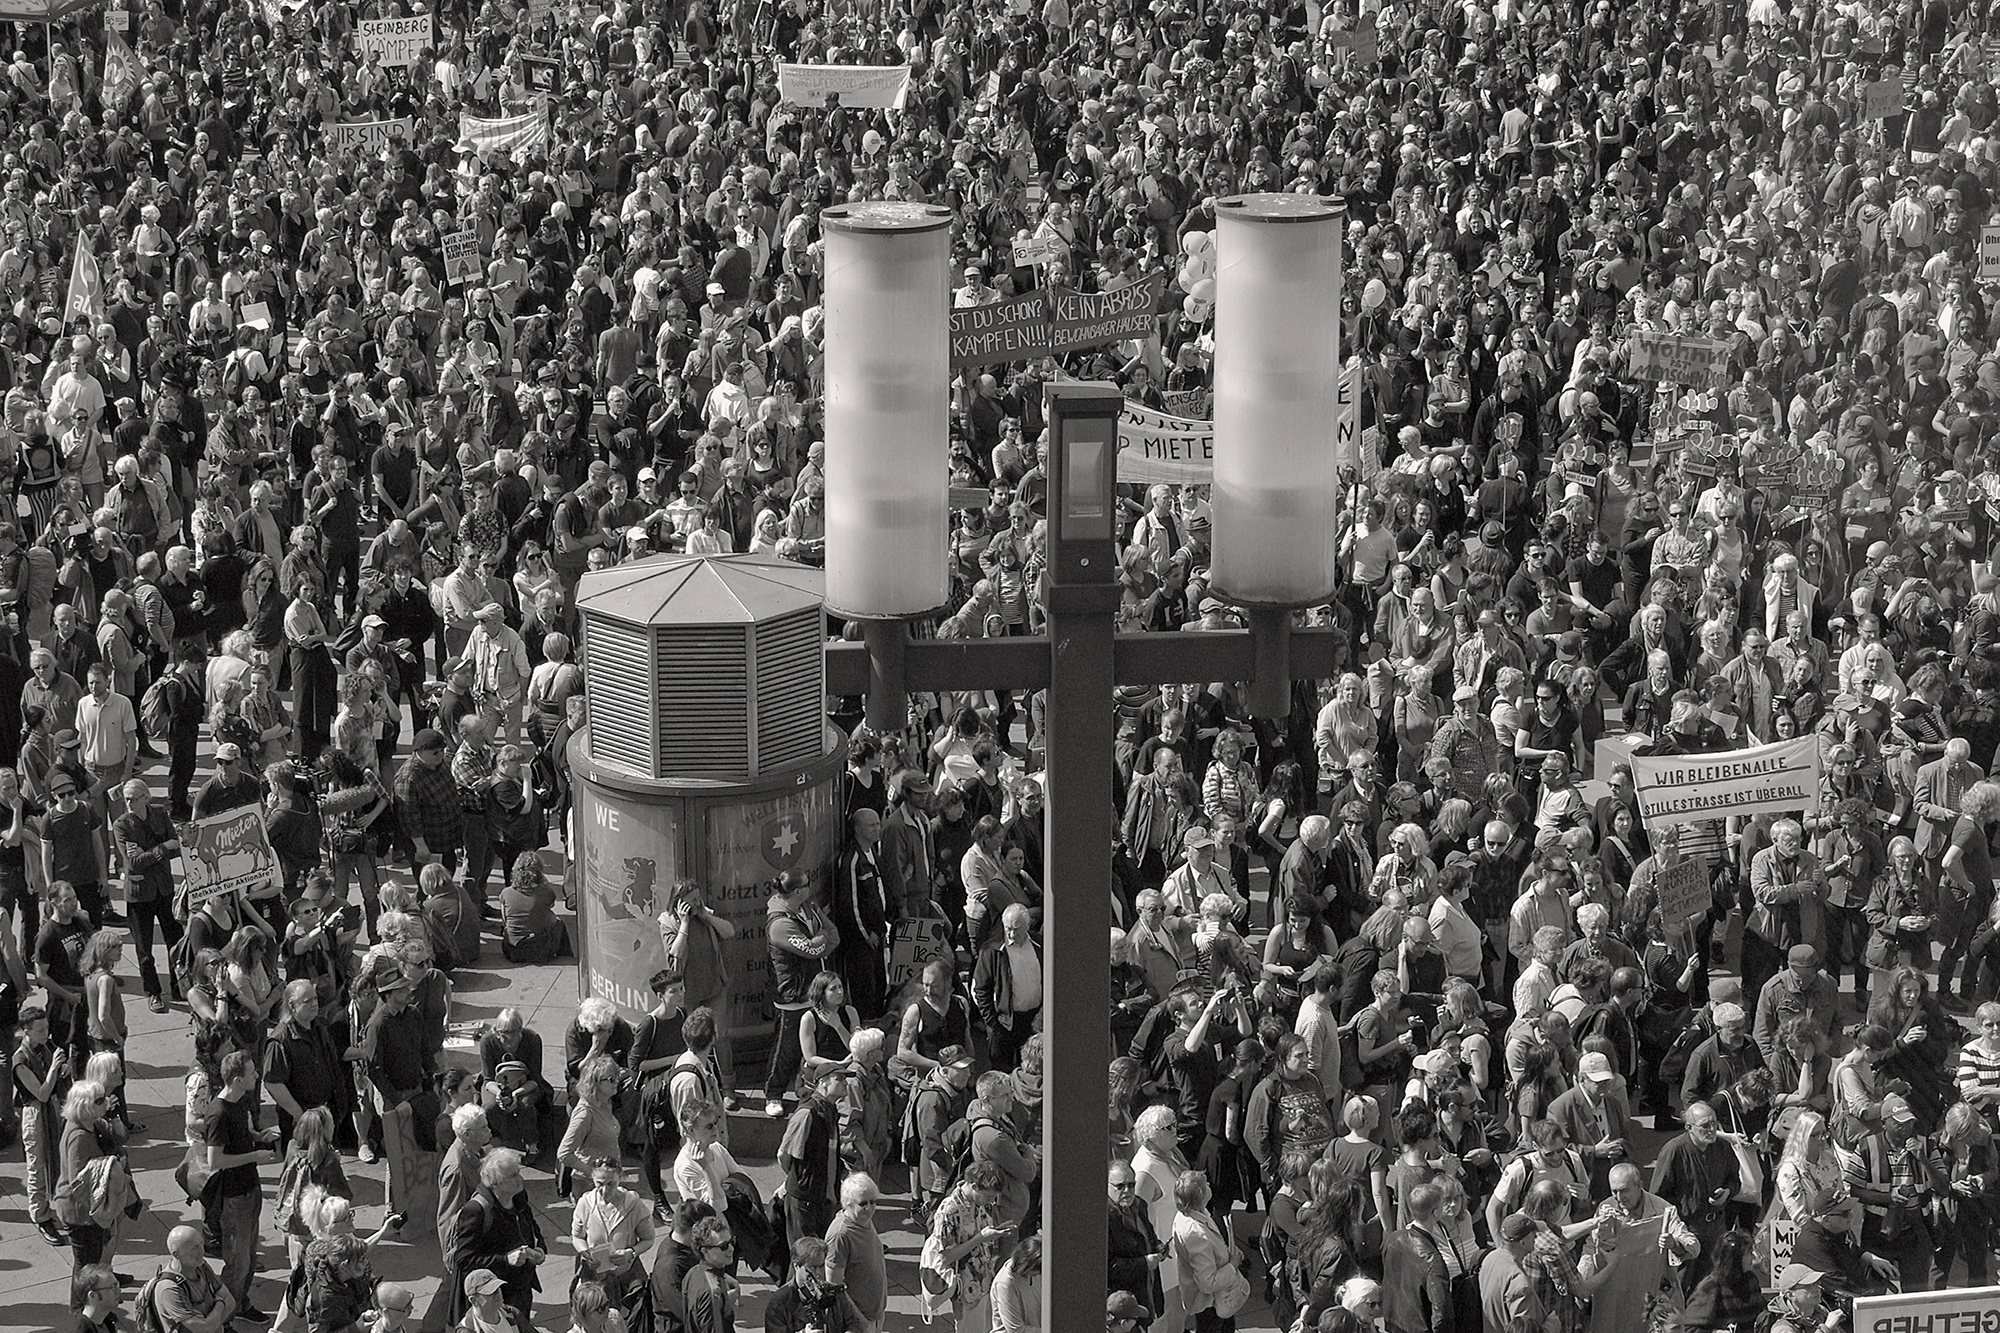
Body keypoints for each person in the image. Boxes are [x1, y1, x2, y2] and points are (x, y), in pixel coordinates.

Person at [447, 1149, 546, 1327]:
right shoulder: (476, 1210)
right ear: (495, 1183)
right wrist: (505, 1259)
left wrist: (540, 1251)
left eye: (518, 1173)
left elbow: (532, 1229)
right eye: (513, 1175)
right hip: (496, 1298)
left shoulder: (519, 1197)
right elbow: (464, 1259)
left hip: (521, 1290)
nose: (520, 1179)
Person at [825, 1173, 888, 1333]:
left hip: (875, 1315)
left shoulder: (864, 1219)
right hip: (857, 1322)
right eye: (863, 1203)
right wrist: (859, 1321)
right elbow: (835, 1288)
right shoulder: (840, 1235)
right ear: (848, 1203)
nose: (869, 1207)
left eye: (873, 1202)